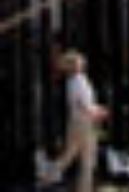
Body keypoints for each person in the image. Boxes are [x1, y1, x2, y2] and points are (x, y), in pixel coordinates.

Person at [37, 50, 107, 191]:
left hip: (79, 121)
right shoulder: (79, 81)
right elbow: (83, 104)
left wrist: (95, 110)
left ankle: (51, 178)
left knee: (77, 155)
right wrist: (97, 112)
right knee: (82, 157)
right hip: (84, 122)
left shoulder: (73, 81)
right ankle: (53, 178)